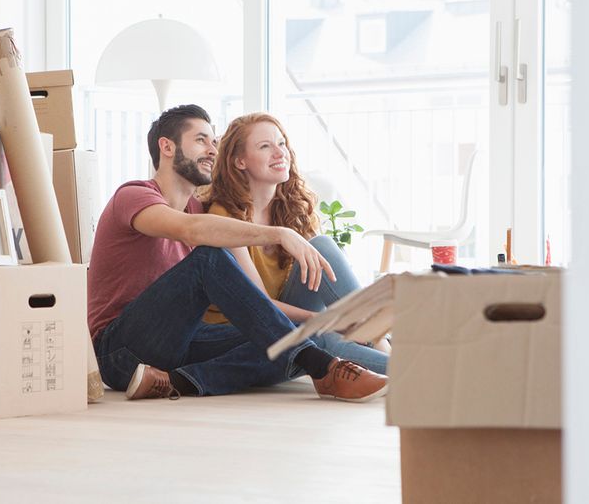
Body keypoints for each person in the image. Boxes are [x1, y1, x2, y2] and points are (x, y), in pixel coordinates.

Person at [87, 104, 388, 402]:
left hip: (179, 344)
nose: (212, 150)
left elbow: (216, 215)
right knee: (209, 257)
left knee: (297, 335)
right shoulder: (134, 195)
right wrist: (280, 234)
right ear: (166, 146)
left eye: (214, 142)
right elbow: (190, 229)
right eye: (201, 140)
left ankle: (178, 382)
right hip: (120, 351)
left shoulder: (197, 206)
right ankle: (324, 369)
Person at [201, 112, 389, 375]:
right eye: (265, 146)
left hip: (288, 315)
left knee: (321, 245)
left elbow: (322, 278)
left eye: (281, 143)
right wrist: (321, 320)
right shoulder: (226, 215)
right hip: (242, 325)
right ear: (239, 161)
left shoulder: (293, 208)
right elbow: (259, 304)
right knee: (325, 340)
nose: (280, 153)